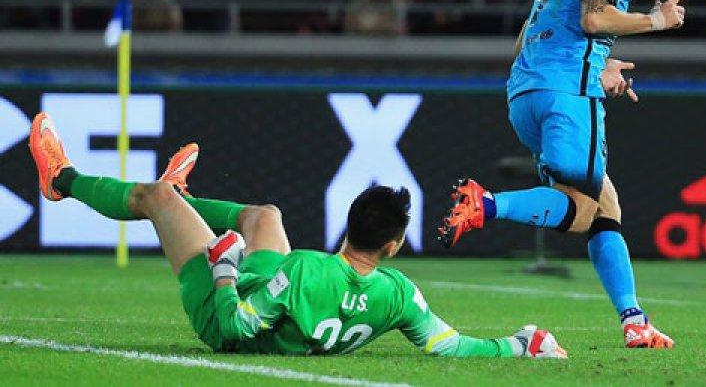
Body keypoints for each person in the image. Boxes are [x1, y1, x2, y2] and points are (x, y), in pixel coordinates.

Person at [28, 112, 566, 358]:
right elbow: (449, 346)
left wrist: (224, 268)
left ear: (349, 224)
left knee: (155, 199)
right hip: (278, 290)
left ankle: (61, 180)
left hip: (227, 309)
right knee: (266, 215)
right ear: (393, 246)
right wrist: (519, 345)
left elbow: (237, 326)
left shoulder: (308, 267)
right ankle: (186, 199)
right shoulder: (399, 293)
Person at [438, 0, 685, 349]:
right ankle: (485, 204)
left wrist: (597, 64)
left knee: (605, 206)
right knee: (582, 210)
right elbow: (594, 18)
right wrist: (656, 20)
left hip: (525, 94)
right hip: (566, 95)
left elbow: (528, 38)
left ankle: (634, 321)